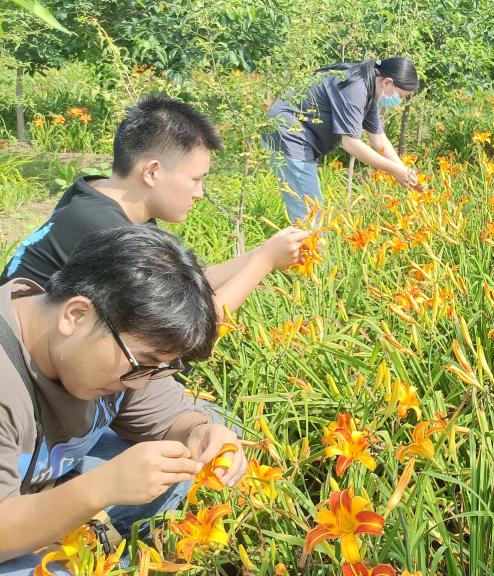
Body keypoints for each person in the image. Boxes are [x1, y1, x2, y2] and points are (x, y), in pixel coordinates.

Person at [0, 225, 246, 573]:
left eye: (158, 368)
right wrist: (99, 490)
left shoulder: (119, 346)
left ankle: (90, 538)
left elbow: (174, 418)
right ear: (76, 315)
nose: (141, 382)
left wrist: (199, 432)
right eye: (142, 363)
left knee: (218, 426)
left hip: (44, 484)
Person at [1, 95, 309, 316]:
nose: (200, 193)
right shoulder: (106, 232)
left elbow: (189, 283)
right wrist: (263, 262)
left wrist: (262, 252)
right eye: (196, 179)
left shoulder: (100, 194)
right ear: (152, 172)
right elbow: (191, 326)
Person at [263, 57, 422, 223]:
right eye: (401, 96)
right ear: (387, 82)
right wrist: (395, 170)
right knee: (310, 218)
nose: (399, 102)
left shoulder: (368, 88)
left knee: (311, 216)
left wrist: (404, 171)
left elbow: (379, 139)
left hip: (295, 136)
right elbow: (351, 144)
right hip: (288, 134)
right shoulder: (355, 88)